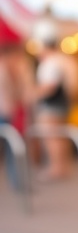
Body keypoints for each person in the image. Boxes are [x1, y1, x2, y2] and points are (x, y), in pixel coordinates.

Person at [34, 36, 75, 181]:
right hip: (63, 103)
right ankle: (62, 166)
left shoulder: (51, 63)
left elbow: (50, 87)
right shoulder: (63, 60)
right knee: (60, 136)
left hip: (51, 104)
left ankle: (56, 168)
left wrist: (33, 94)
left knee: (52, 137)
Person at [0, 42, 34, 187]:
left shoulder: (19, 69)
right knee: (12, 144)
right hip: (4, 112)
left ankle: (18, 180)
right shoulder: (2, 69)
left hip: (13, 112)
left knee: (14, 146)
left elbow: (24, 92)